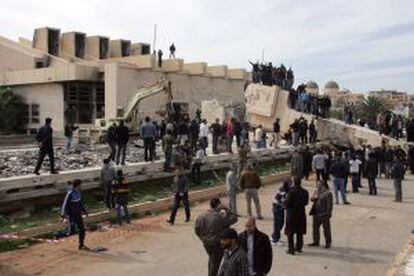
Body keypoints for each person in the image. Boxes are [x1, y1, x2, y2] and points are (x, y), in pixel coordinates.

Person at [195, 198, 238, 276]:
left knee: (212, 260)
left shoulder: (201, 216)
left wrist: (202, 238)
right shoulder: (219, 217)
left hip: (206, 243)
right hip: (217, 243)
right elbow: (234, 218)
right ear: (218, 205)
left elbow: (197, 229)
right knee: (215, 264)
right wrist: (226, 209)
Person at [60, 179, 88, 250]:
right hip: (71, 215)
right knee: (71, 232)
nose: (81, 186)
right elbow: (65, 204)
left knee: (82, 229)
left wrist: (84, 211)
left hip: (78, 214)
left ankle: (81, 245)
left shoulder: (78, 193)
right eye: (80, 185)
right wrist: (62, 215)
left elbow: (80, 203)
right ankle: (57, 236)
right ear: (78, 185)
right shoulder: (70, 193)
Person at [285, 177, 309, 255]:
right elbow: (306, 203)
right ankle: (299, 247)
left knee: (290, 232)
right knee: (299, 232)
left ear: (294, 183)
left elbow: (287, 202)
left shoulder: (291, 192)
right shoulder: (305, 192)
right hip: (301, 213)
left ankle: (291, 249)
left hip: (291, 214)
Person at [308, 181, 333, 249]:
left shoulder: (328, 194)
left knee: (326, 229)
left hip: (324, 214)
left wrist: (328, 213)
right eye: (317, 185)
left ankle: (328, 243)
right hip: (316, 213)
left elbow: (329, 205)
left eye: (319, 185)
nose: (318, 186)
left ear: (323, 186)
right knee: (315, 229)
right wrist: (315, 194)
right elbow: (312, 199)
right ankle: (316, 241)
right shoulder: (317, 192)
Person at [272, 179, 291, 244]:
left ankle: (275, 236)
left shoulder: (288, 190)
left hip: (281, 208)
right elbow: (280, 200)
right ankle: (275, 239)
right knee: (278, 223)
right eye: (290, 183)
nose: (291, 184)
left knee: (281, 223)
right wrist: (284, 205)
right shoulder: (282, 190)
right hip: (277, 207)